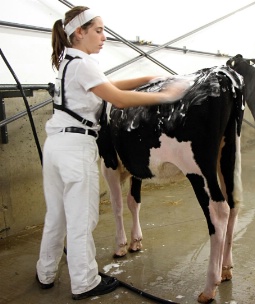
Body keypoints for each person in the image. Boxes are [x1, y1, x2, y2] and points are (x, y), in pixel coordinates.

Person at [35, 6, 187, 300]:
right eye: (99, 30)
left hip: (55, 146)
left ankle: (45, 272)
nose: (104, 37)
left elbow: (106, 87)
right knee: (82, 219)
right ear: (79, 33)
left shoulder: (69, 61)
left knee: (56, 216)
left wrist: (146, 77)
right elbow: (116, 99)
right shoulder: (83, 62)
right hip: (75, 149)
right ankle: (84, 282)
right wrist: (165, 95)